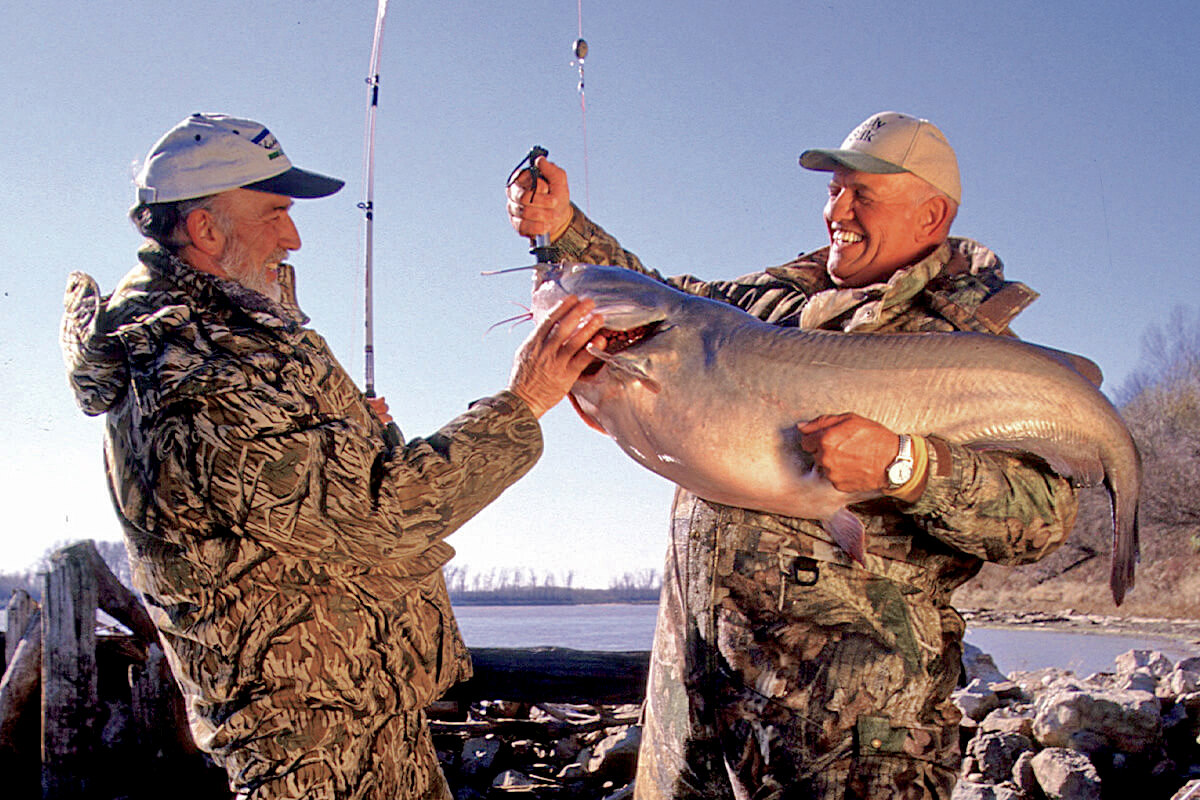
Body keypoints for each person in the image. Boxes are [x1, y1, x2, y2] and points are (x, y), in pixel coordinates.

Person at [506, 111, 1080, 799]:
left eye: (861, 193)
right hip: (694, 717)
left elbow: (1044, 515)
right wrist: (565, 225)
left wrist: (909, 466)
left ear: (932, 216)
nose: (836, 209)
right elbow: (651, 301)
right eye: (834, 190)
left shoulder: (973, 346)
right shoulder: (771, 302)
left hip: (846, 745)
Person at [60, 113, 605, 800]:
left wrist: (349, 438)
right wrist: (524, 399)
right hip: (305, 742)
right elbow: (383, 513)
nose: (293, 236)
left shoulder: (244, 334)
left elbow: (329, 498)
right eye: (277, 213)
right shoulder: (194, 369)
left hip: (361, 702)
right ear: (204, 231)